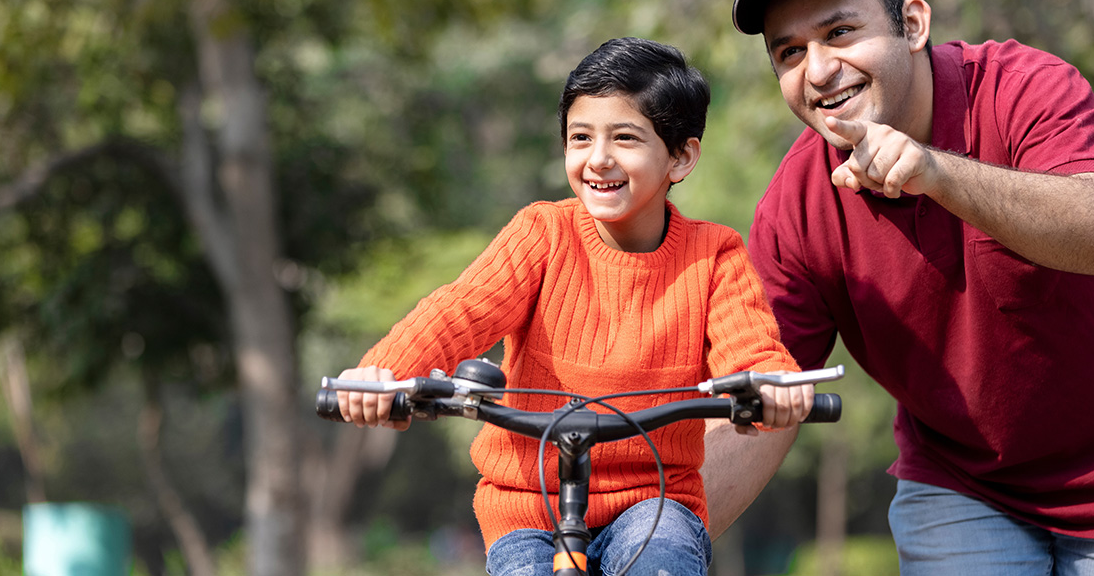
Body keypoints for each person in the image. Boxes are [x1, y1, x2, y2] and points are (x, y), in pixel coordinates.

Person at [701, 0, 1094, 574]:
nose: (818, 70)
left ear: (912, 25)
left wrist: (935, 172)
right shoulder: (796, 207)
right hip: (961, 475)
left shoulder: (1025, 88)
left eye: (840, 33)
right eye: (789, 52)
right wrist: (660, 538)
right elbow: (766, 401)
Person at [334, 36, 816, 576]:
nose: (598, 159)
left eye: (626, 138)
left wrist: (769, 384)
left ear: (681, 156)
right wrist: (385, 373)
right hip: (527, 506)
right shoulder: (542, 233)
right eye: (580, 137)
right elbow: (461, 310)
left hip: (653, 501)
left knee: (665, 561)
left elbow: (749, 346)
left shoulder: (715, 254)